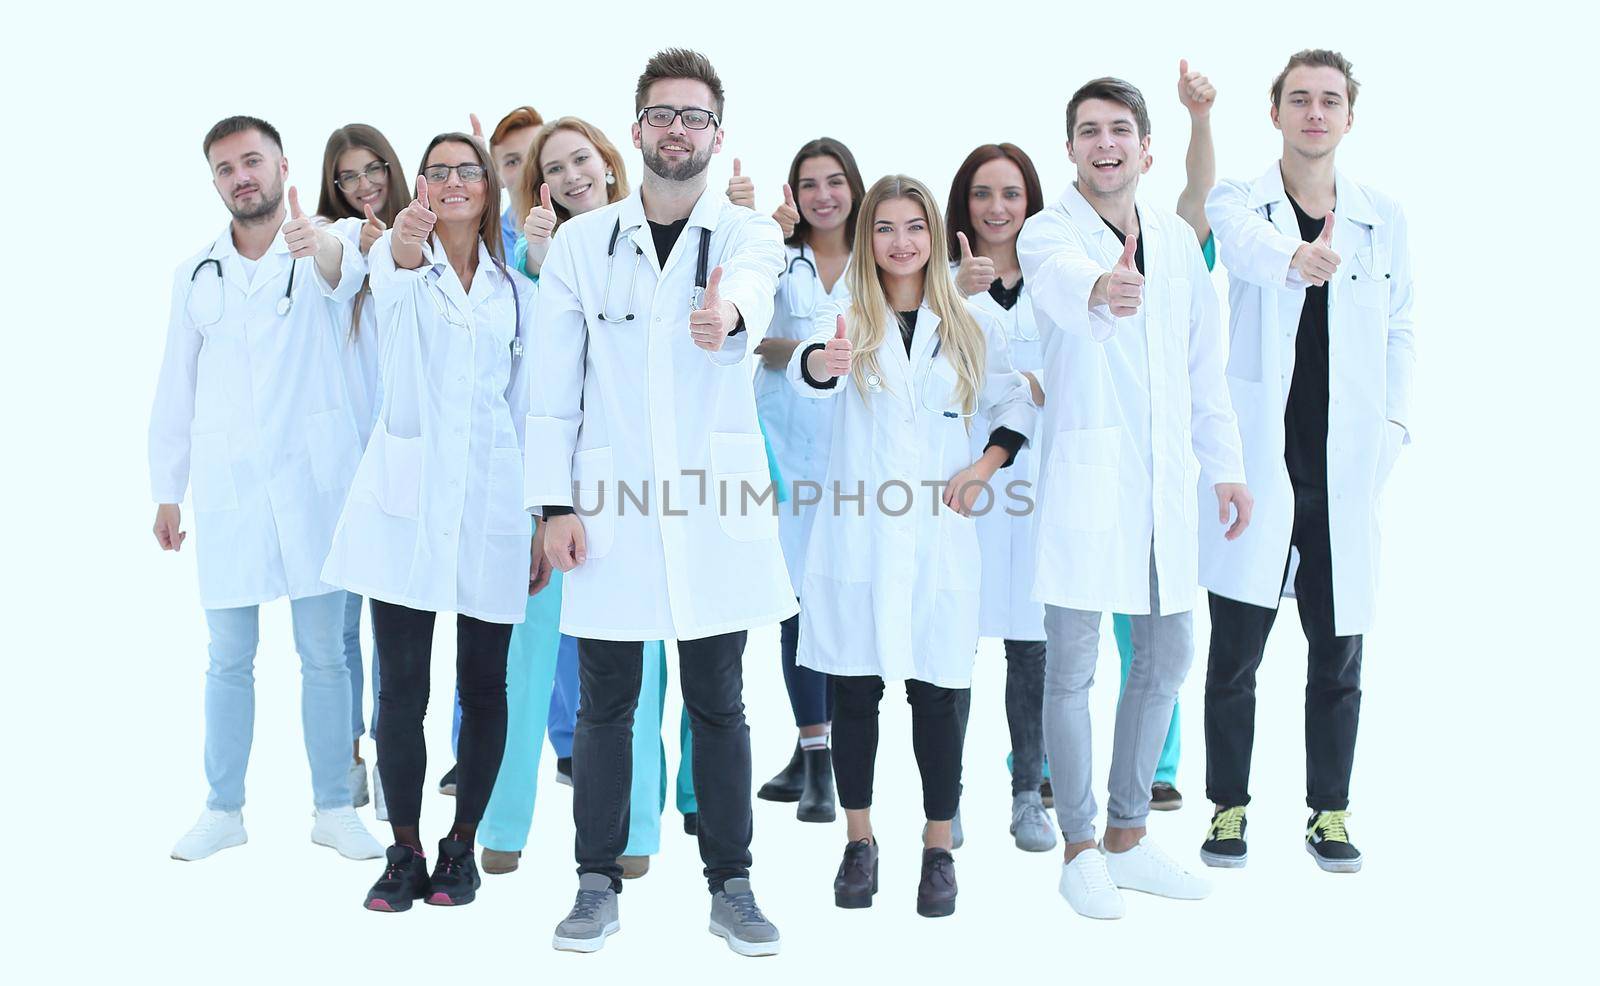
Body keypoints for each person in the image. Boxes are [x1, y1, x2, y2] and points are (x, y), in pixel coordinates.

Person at [526, 49, 791, 956]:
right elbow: (554, 391)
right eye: (664, 115)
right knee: (607, 702)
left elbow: (753, 289)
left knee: (720, 700)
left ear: (718, 134)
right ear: (635, 129)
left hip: (714, 504)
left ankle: (734, 886)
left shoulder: (749, 234)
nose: (679, 129)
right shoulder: (580, 243)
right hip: (609, 506)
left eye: (696, 116)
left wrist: (732, 323)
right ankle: (594, 882)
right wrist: (550, 506)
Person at [1016, 77, 1251, 920]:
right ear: (1070, 148)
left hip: (1165, 490)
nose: (1105, 143)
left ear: (1147, 150)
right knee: (1074, 667)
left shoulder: (1182, 248)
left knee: (1166, 659)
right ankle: (1078, 846)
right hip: (1088, 483)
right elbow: (1062, 284)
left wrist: (1226, 466)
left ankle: (1126, 835)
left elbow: (1203, 370)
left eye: (1120, 130)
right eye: (1088, 131)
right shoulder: (1050, 234)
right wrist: (1100, 291)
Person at [788, 174, 1035, 917]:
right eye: (886, 228)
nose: (901, 242)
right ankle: (859, 843)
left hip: (937, 541)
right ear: (868, 240)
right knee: (855, 693)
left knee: (940, 698)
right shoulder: (843, 319)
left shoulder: (965, 322)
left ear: (933, 235)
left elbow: (1012, 403)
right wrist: (822, 365)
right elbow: (808, 378)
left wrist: (984, 466)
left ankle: (936, 848)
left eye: (914, 228)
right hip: (858, 536)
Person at [1199, 49, 1413, 874]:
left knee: (1338, 656)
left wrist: (1393, 423)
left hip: (1345, 468)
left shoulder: (1382, 216)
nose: (1314, 113)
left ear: (1349, 118)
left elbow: (1403, 327)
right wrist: (1295, 259)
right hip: (1261, 464)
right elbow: (1245, 247)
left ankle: (1330, 810)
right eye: (1299, 100)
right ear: (1276, 112)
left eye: (1329, 101)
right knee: (1234, 658)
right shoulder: (1239, 202)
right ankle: (1228, 810)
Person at [151, 115, 382, 864]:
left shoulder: (326, 242)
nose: (240, 177)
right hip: (230, 490)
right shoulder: (198, 272)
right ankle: (223, 809)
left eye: (252, 161)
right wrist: (167, 489)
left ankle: (332, 808)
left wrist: (318, 243)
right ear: (216, 183)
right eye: (225, 169)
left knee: (325, 655)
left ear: (282, 165)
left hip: (317, 485)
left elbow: (348, 278)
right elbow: (174, 387)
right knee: (227, 656)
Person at [320, 131, 539, 911]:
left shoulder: (515, 292)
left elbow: (527, 409)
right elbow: (396, 272)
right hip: (404, 504)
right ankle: (405, 848)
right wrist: (407, 239)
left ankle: (460, 846)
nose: (452, 182)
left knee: (485, 685)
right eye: (436, 171)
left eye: (466, 171)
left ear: (487, 188)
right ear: (420, 185)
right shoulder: (396, 261)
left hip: (490, 503)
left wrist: (540, 513)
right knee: (402, 689)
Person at [479, 115, 671, 882]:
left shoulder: (658, 249)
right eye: (550, 170)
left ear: (611, 165)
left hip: (634, 497)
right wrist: (539, 506)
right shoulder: (528, 270)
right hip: (550, 494)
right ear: (536, 192)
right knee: (525, 667)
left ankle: (635, 831)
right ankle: (501, 822)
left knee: (638, 680)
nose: (568, 176)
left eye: (580, 160)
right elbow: (531, 394)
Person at [743, 137, 866, 824]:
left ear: (855, 185)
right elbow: (748, 335)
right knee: (792, 603)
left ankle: (835, 756)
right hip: (784, 446)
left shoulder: (877, 254)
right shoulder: (776, 254)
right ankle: (811, 751)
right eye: (809, 184)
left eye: (834, 181)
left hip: (854, 453)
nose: (823, 195)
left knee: (838, 601)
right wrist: (813, 352)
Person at [314, 122, 410, 817]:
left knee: (399, 636)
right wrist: (325, 238)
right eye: (348, 176)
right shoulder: (345, 236)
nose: (363, 185)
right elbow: (335, 266)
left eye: (372, 168)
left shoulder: (418, 233)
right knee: (345, 630)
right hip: (347, 468)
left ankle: (397, 776)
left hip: (409, 462)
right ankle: (349, 768)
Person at [488, 106, 544, 255]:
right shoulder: (485, 245)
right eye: (512, 162)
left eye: (535, 154)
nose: (528, 169)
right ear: (496, 177)